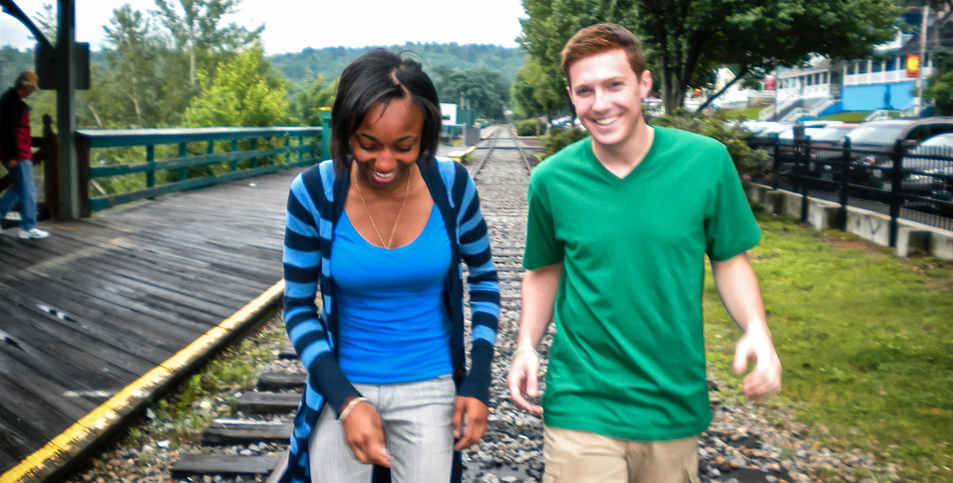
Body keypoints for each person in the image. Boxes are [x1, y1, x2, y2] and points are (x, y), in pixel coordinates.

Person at [507, 24, 782, 483]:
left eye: (614, 84)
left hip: (670, 401)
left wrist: (757, 328)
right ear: (572, 97)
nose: (600, 103)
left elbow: (730, 259)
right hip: (582, 398)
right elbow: (544, 269)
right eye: (585, 91)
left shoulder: (706, 162)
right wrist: (525, 346)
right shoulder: (552, 180)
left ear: (644, 84)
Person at [278, 49, 500, 483]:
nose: (384, 163)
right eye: (367, 144)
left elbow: (486, 279)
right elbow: (298, 307)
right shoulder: (313, 193)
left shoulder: (451, 186)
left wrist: (477, 380)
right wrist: (344, 401)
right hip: (343, 386)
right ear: (345, 132)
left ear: (426, 135)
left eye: (404, 147)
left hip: (431, 385)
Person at [0, 71, 49, 240]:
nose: (32, 92)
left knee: (18, 187)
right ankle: (28, 227)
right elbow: (9, 131)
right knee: (28, 190)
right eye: (32, 88)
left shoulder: (9, 98)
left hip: (16, 153)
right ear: (25, 86)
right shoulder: (13, 103)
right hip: (19, 155)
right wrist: (12, 155)